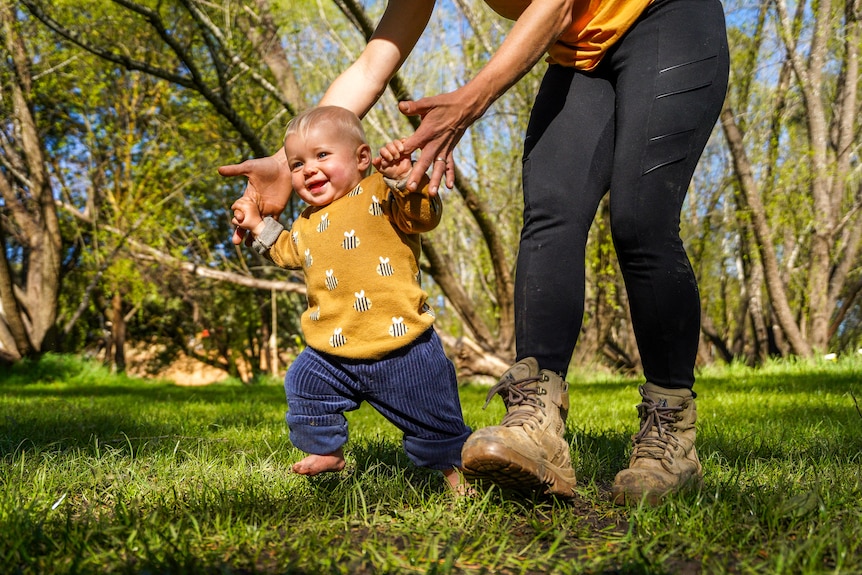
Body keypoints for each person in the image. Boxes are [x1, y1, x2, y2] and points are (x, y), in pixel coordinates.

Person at [220, 0, 729, 504]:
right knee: (552, 214)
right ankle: (537, 421)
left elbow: (557, 5)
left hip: (666, 16)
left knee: (640, 220)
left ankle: (670, 435)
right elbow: (374, 61)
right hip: (578, 53)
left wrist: (469, 99)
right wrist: (284, 163)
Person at [230, 106, 472, 492]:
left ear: (361, 158)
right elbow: (286, 250)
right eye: (297, 164)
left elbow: (423, 215)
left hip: (402, 343)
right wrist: (257, 223)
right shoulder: (306, 222)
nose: (308, 169)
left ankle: (459, 476)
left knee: (434, 419)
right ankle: (326, 450)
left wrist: (404, 178)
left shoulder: (378, 190)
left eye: (322, 155)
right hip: (332, 348)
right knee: (304, 382)